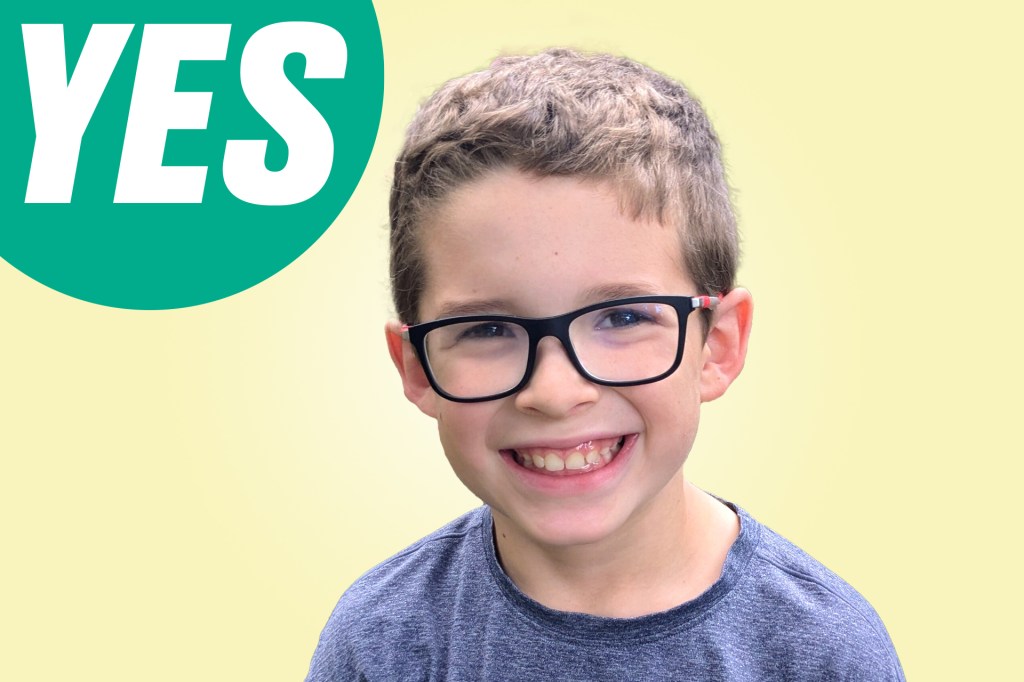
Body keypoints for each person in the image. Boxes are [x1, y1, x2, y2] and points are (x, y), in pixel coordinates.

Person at [305, 48, 904, 681]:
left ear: (718, 344)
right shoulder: (380, 644)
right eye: (486, 328)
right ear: (416, 368)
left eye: (622, 318)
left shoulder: (824, 650)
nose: (556, 392)